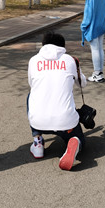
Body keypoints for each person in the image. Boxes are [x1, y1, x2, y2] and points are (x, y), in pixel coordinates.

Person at [27, 32, 87, 171]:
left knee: (31, 96)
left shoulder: (33, 60)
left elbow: (32, 84)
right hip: (65, 122)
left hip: (38, 121)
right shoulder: (69, 60)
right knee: (78, 137)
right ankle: (74, 142)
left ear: (43, 45)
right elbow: (82, 84)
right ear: (62, 46)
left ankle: (38, 143)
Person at [81, 0, 105, 82]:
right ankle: (99, 73)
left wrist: (83, 26)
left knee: (95, 50)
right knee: (100, 49)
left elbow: (88, 13)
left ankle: (97, 73)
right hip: (101, 25)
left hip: (93, 26)